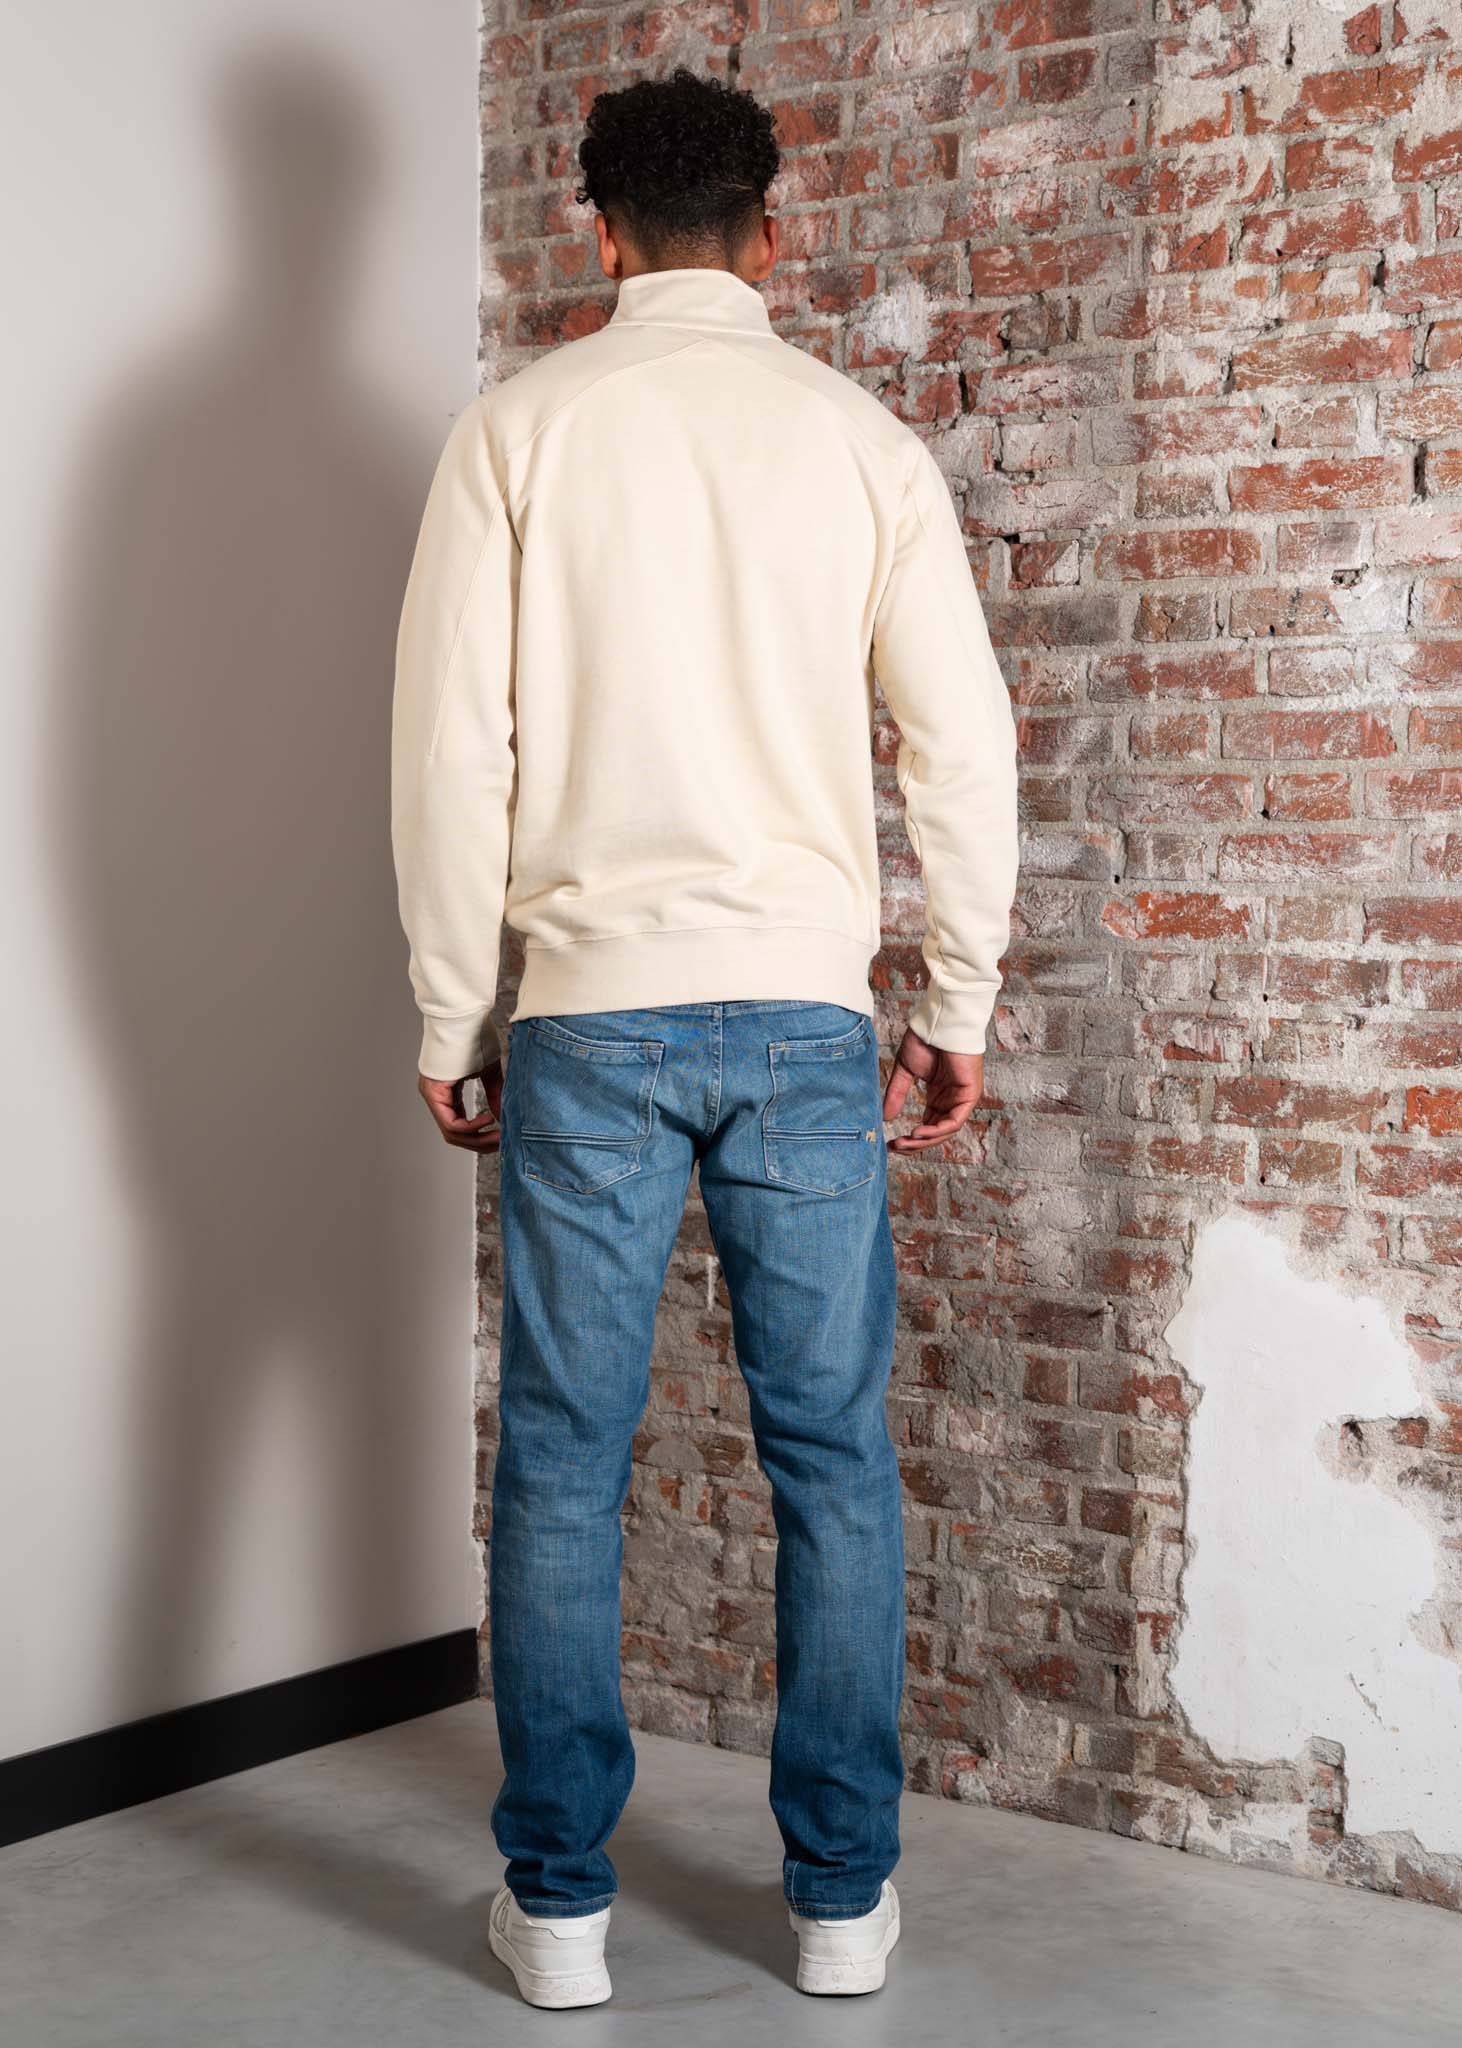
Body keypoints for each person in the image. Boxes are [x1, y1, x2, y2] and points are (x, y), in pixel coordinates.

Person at [390, 64, 1019, 2010]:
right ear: (772, 229)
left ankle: (561, 1911)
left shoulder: (517, 430)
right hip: (805, 1020)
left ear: (594, 231)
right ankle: (837, 1903)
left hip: (588, 1013)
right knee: (829, 1460)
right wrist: (955, 1003)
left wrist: (451, 1005)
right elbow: (960, 746)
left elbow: (453, 750)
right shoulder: (857, 442)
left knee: (562, 1463)